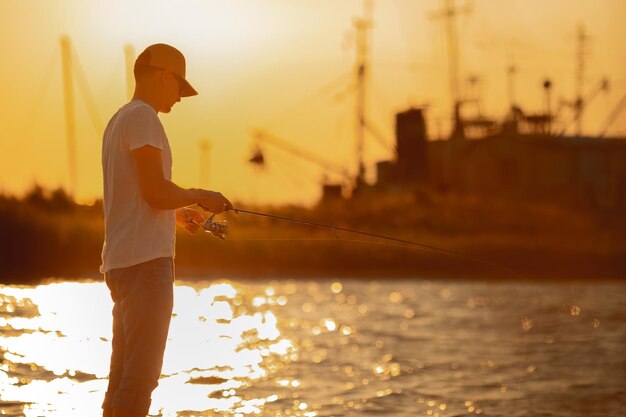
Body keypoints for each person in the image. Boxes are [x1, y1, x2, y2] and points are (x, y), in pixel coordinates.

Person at [100, 43, 232, 417]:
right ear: (164, 76)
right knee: (139, 382)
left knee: (122, 380)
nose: (180, 97)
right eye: (180, 88)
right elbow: (155, 191)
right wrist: (202, 195)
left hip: (122, 265)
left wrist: (179, 212)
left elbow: (136, 195)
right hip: (145, 268)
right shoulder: (144, 119)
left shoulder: (118, 120)